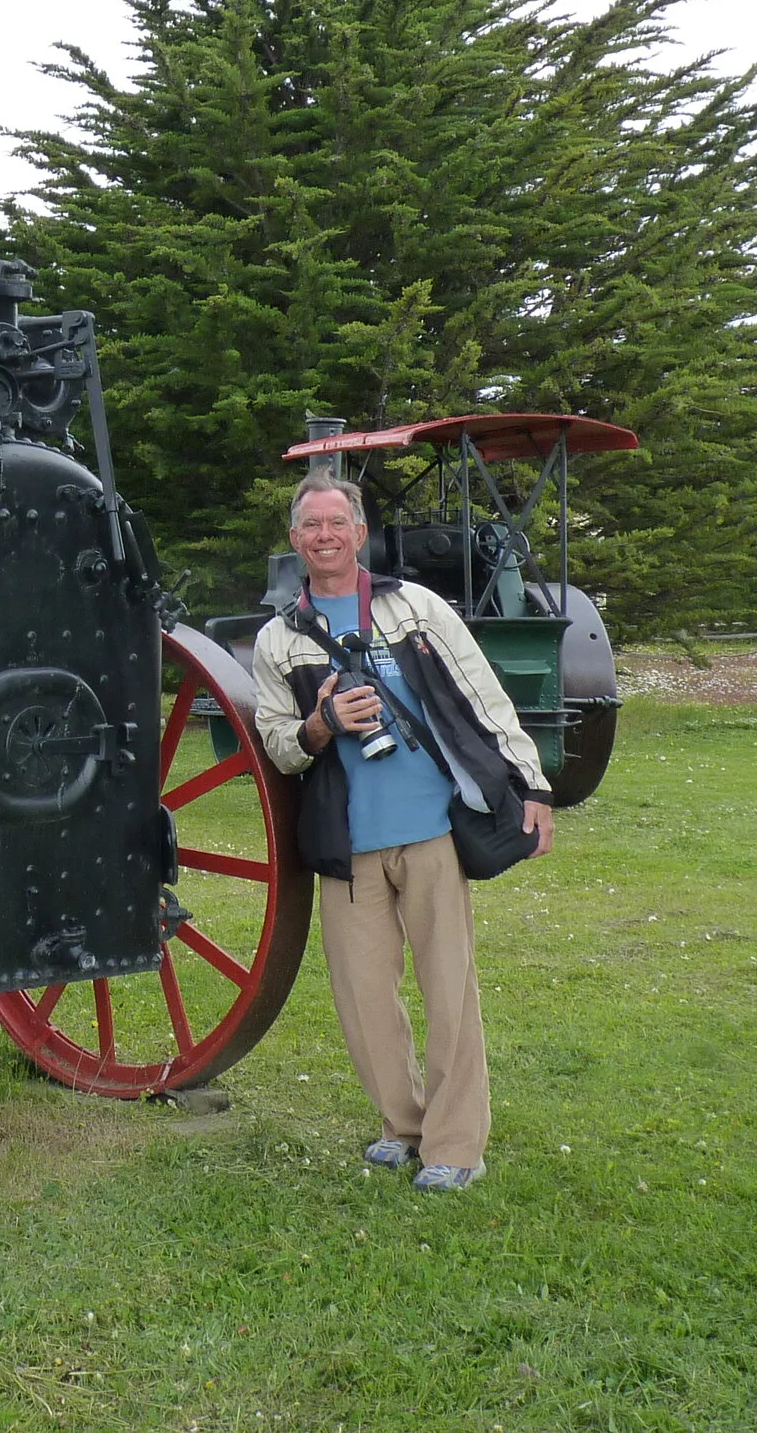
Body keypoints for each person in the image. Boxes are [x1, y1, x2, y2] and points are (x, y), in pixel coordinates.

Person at [251, 472, 554, 1190]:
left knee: (448, 989)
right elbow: (277, 741)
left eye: (337, 522)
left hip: (429, 833)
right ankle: (403, 1124)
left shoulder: (412, 606)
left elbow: (483, 691)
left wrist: (531, 780)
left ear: (360, 532)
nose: (325, 535)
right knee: (363, 1000)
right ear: (295, 540)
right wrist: (323, 721)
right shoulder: (279, 639)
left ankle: (454, 1146)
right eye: (310, 526)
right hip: (345, 842)